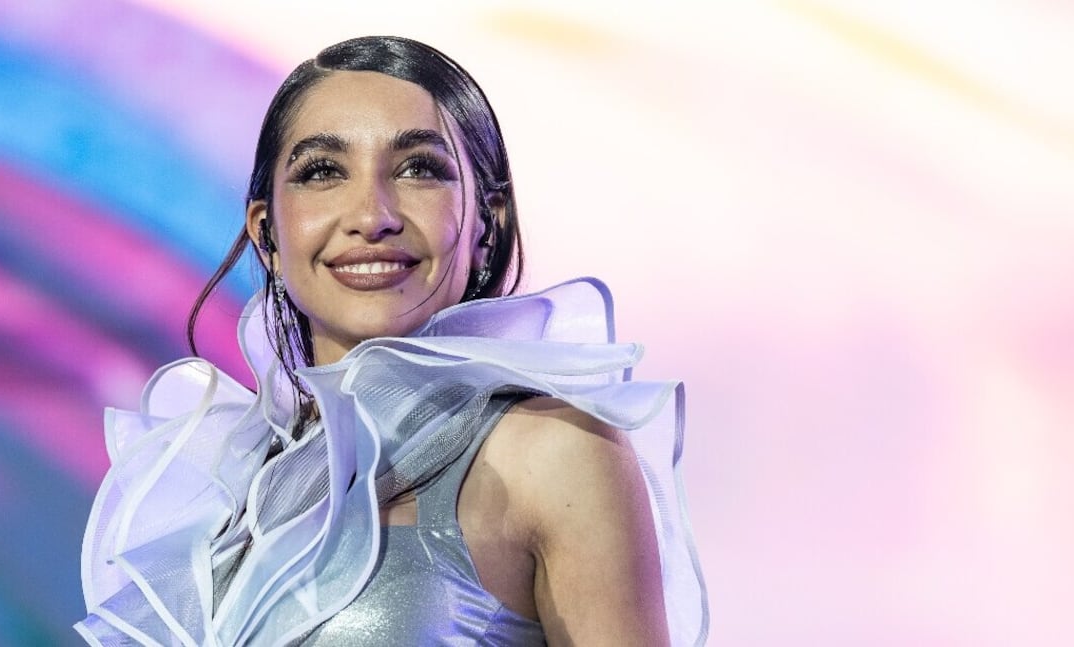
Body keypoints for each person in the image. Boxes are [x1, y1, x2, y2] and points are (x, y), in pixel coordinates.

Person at [76, 36, 707, 646]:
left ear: (488, 224)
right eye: (323, 171)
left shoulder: (554, 450)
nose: (373, 215)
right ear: (267, 234)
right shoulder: (222, 481)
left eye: (419, 169)